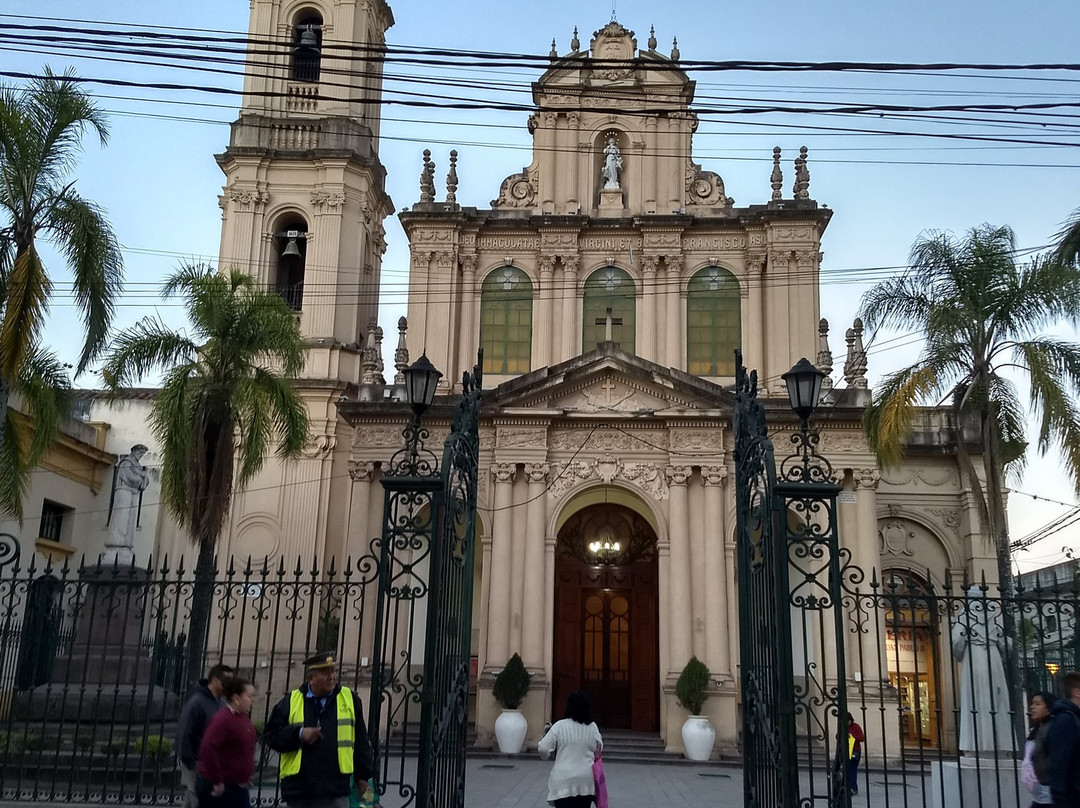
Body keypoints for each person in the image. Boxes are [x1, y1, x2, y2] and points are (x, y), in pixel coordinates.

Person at [265, 652, 375, 808]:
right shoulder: (291, 700)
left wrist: (363, 777)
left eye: (333, 671)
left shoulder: (350, 698)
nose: (332, 676)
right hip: (300, 789)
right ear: (311, 678)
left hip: (335, 788)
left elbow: (361, 741)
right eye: (325, 672)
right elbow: (271, 735)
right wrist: (300, 734)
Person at [176, 663, 234, 808]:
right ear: (215, 681)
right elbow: (184, 732)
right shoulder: (197, 702)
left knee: (195, 798)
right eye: (226, 681)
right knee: (198, 797)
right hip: (196, 760)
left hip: (211, 762)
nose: (230, 685)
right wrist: (190, 762)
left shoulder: (221, 703)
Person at [196, 676, 257, 808]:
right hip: (223, 788)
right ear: (236, 698)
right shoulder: (223, 720)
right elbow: (207, 748)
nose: (252, 700)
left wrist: (244, 774)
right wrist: (217, 780)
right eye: (249, 696)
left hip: (238, 785)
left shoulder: (242, 718)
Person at [537, 690, 603, 808]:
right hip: (586, 781)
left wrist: (547, 755)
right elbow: (599, 750)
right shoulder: (593, 727)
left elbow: (543, 748)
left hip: (563, 780)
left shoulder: (559, 726)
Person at [1049, 671, 1080, 806]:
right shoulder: (1066, 719)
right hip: (1072, 797)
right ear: (1076, 692)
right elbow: (1059, 762)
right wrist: (1060, 799)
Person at [1022, 691, 1055, 806]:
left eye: (1038, 704)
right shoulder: (1035, 731)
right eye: (1032, 704)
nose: (1032, 707)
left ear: (1048, 709)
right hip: (1037, 797)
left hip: (1048, 795)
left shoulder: (1051, 730)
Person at [847, 713, 865, 796]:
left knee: (852, 769)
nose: (847, 723)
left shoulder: (856, 726)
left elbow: (861, 738)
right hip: (846, 751)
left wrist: (852, 736)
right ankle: (849, 787)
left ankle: (853, 788)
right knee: (847, 770)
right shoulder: (843, 726)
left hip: (855, 751)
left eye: (848, 721)